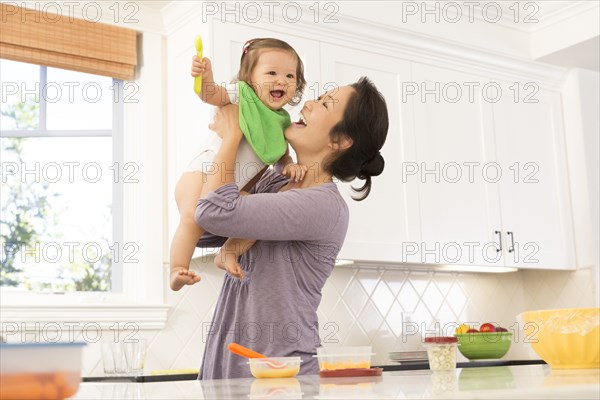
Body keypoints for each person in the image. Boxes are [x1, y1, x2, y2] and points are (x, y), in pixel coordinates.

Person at [194, 76, 389, 379]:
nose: (308, 103)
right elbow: (202, 230)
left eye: (325, 104)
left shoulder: (323, 206)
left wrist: (232, 137)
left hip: (280, 377)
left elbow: (212, 210)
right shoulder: (275, 182)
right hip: (229, 366)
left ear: (339, 140)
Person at [170, 38, 308, 291]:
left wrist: (289, 165)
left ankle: (228, 252)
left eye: (290, 75)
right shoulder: (241, 95)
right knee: (192, 218)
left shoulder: (281, 122)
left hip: (231, 188)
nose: (282, 81)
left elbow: (280, 158)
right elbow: (211, 94)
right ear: (249, 77)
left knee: (262, 215)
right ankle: (177, 268)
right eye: (271, 73)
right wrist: (206, 78)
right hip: (201, 173)